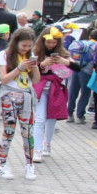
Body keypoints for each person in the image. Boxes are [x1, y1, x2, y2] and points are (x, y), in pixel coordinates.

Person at [0, 27, 40, 181]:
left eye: (29, 46)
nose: (26, 48)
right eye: (23, 45)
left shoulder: (29, 56)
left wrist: (35, 66)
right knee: (9, 132)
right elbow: (3, 79)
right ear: (16, 42)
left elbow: (36, 81)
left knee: (28, 132)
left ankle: (29, 165)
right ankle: (1, 164)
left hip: (26, 97)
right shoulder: (4, 55)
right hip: (9, 96)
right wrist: (20, 68)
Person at [31, 27, 77, 162]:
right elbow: (27, 70)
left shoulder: (62, 53)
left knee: (52, 118)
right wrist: (41, 64)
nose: (52, 45)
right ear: (43, 41)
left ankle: (47, 144)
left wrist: (64, 61)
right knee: (40, 119)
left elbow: (76, 68)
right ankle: (37, 150)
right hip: (40, 89)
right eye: (49, 42)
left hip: (56, 89)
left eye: (54, 42)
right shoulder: (35, 53)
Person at [66, 29, 97, 124]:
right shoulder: (96, 46)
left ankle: (69, 114)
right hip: (87, 72)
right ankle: (80, 115)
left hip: (75, 69)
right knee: (85, 93)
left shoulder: (82, 43)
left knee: (73, 91)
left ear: (90, 37)